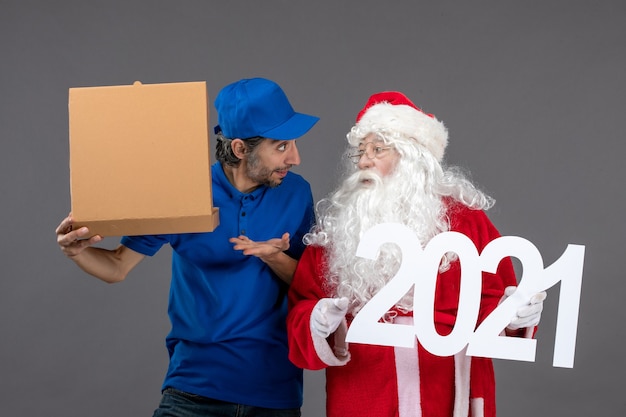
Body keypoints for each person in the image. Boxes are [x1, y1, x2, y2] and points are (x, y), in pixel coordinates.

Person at [56, 77, 319, 417]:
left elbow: (309, 284)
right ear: (240, 149)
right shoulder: (186, 191)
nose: (295, 157)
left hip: (274, 392)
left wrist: (273, 257)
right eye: (281, 146)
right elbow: (117, 267)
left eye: (293, 143)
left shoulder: (296, 193)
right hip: (194, 389)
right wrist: (76, 251)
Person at [286, 91, 546, 417]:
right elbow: (300, 307)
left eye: (377, 149)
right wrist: (317, 320)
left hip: (448, 393)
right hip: (365, 395)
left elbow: (496, 299)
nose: (364, 161)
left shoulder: (465, 219)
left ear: (412, 157)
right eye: (360, 152)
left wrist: (514, 316)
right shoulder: (339, 228)